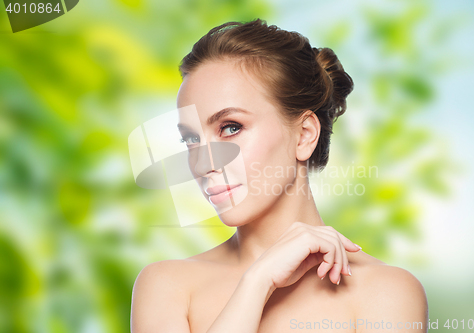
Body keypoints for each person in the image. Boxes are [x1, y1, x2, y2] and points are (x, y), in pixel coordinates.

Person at [130, 19, 428, 333]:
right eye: (190, 140)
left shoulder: (384, 293)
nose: (203, 164)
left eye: (231, 128)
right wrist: (257, 283)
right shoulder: (167, 286)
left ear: (304, 135)